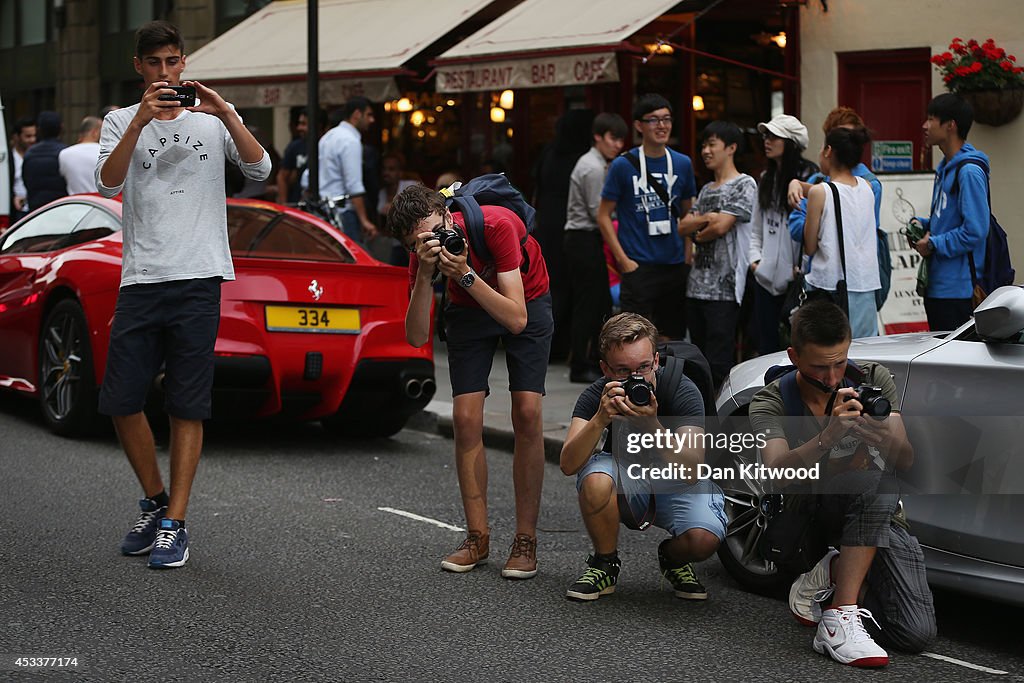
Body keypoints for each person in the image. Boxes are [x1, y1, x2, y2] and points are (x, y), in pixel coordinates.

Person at [95, 20, 271, 569]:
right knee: (121, 399)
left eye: (172, 62)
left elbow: (260, 168)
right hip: (143, 277)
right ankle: (153, 501)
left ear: (184, 62)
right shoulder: (120, 119)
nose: (165, 72)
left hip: (198, 278)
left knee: (187, 403)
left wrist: (225, 114)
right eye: (154, 64)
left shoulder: (211, 121)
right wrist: (140, 121)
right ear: (139, 67)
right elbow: (108, 182)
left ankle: (175, 521)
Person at [748, 299, 935, 667]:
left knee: (915, 634)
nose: (833, 378)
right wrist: (827, 436)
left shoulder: (871, 379)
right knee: (879, 484)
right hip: (807, 514)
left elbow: (906, 460)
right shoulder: (771, 401)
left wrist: (882, 435)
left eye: (839, 363)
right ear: (794, 356)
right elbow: (775, 472)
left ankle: (834, 572)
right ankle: (839, 616)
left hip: (867, 512)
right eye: (820, 367)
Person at [387, 184, 552, 579]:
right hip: (467, 308)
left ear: (447, 215)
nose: (429, 243)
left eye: (432, 232)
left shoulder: (496, 225)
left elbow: (516, 318)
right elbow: (414, 337)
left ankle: (525, 539)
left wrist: (463, 273)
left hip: (524, 299)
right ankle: (477, 537)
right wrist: (425, 275)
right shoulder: (422, 256)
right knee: (464, 419)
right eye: (417, 243)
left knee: (527, 412)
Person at [559, 312, 725, 601]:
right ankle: (605, 563)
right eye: (623, 371)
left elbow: (692, 471)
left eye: (643, 367)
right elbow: (568, 464)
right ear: (605, 369)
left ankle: (673, 558)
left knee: (703, 540)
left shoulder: (682, 390)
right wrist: (599, 420)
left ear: (656, 362)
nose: (636, 379)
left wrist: (652, 426)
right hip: (626, 480)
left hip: (675, 481)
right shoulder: (598, 395)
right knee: (596, 479)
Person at [598, 94, 697, 341]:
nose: (661, 125)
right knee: (633, 339)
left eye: (666, 119)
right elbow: (603, 216)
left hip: (674, 265)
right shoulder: (623, 165)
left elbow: (688, 214)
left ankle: (667, 381)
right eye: (653, 120)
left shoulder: (682, 163)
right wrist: (622, 260)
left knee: (672, 338)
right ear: (639, 125)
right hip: (638, 265)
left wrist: (687, 253)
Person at [678, 121, 757, 388]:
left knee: (719, 361)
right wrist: (708, 218)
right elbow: (682, 226)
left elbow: (720, 227)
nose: (705, 151)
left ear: (731, 148)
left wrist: (702, 226)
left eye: (712, 144)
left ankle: (720, 421)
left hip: (725, 288)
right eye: (703, 145)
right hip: (696, 286)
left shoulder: (744, 184)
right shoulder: (706, 189)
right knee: (697, 360)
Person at [912, 93, 990, 331]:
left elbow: (976, 231)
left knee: (955, 365)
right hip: (938, 287)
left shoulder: (968, 171)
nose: (925, 126)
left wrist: (934, 243)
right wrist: (924, 225)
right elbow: (949, 220)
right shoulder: (945, 167)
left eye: (931, 119)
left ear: (950, 125)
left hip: (959, 291)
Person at [563, 112, 627, 383]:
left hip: (585, 238)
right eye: (613, 138)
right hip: (583, 238)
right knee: (588, 305)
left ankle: (588, 361)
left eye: (621, 140)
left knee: (596, 302)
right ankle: (580, 365)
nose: (618, 145)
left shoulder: (599, 163)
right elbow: (597, 212)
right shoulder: (591, 166)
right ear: (598, 137)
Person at [749, 114, 819, 354]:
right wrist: (755, 262)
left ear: (790, 142)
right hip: (764, 279)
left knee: (797, 348)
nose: (767, 140)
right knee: (765, 348)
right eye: (765, 135)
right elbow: (755, 227)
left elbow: (815, 230)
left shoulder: (811, 177)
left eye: (774, 136)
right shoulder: (766, 178)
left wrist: (803, 269)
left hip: (796, 282)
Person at [802, 127, 880, 338]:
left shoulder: (820, 192)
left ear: (828, 151)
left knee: (829, 351)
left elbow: (809, 247)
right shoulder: (867, 187)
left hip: (831, 286)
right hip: (866, 284)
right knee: (865, 355)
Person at [533, 108, 596, 363]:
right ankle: (564, 345)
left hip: (545, 224)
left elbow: (537, 186)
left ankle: (548, 344)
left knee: (550, 286)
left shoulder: (548, 152)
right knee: (570, 288)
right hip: (569, 225)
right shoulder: (582, 159)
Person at [317, 96, 377, 244]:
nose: (372, 120)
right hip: (344, 212)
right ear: (357, 114)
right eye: (368, 115)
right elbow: (353, 185)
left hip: (325, 210)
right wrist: (364, 220)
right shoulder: (350, 140)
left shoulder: (328, 136)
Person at [22, 110, 67, 211]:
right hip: (61, 207)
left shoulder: (30, 154)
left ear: (39, 130)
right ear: (61, 128)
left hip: (36, 209)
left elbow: (26, 180)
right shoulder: (65, 152)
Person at [58, 116, 102, 194]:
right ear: (95, 132)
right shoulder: (105, 152)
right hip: (102, 203)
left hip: (77, 202)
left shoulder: (64, 154)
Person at [276, 107, 309, 205]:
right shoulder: (295, 147)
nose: (299, 128)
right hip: (298, 203)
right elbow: (282, 177)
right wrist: (284, 206)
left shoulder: (325, 145)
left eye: (304, 124)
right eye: (299, 123)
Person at [9, 117, 36, 219]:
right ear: (16, 137)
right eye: (28, 136)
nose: (32, 140)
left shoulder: (37, 156)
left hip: (36, 209)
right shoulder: (9, 159)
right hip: (16, 211)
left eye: (34, 136)